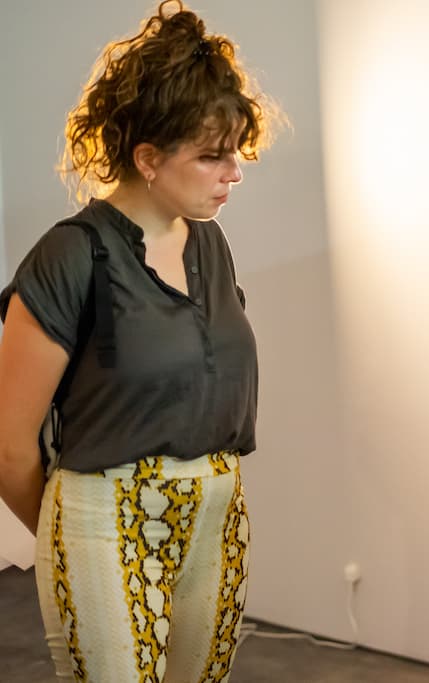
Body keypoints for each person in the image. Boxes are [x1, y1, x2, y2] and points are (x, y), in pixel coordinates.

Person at [0, 1, 280, 680]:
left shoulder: (210, 245)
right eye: (212, 156)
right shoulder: (69, 258)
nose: (233, 173)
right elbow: (9, 444)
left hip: (216, 506)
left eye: (236, 153)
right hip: (103, 510)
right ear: (148, 157)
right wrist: (77, 539)